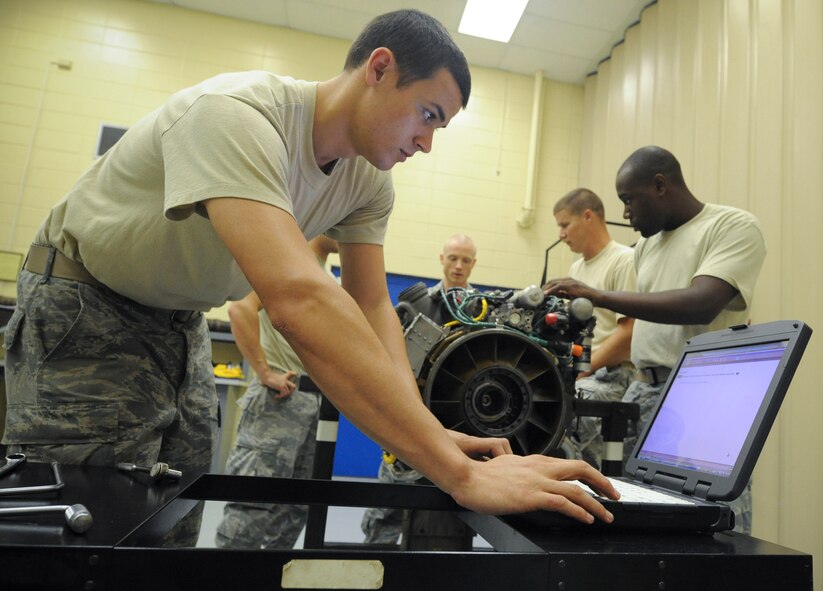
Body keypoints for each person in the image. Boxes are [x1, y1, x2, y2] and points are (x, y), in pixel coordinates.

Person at [3, 8, 618, 543]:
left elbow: (373, 307)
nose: (428, 143)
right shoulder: (237, 114)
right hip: (86, 302)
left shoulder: (368, 181)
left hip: (179, 318)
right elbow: (298, 300)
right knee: (85, 521)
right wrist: (458, 474)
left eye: (441, 127)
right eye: (427, 115)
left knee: (171, 510)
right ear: (378, 69)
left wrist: (429, 432)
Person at [544, 145, 766, 533]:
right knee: (638, 515)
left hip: (703, 395)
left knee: (713, 524)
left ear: (660, 185)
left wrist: (596, 295)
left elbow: (702, 304)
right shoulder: (646, 246)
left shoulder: (731, 226)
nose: (626, 214)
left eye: (629, 201)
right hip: (644, 391)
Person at [215, 235, 337, 549]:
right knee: (252, 505)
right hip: (279, 401)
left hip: (313, 404)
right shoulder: (285, 260)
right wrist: (264, 371)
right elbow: (241, 309)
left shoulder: (328, 278)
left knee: (295, 509)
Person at [361, 233, 477, 544]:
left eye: (465, 260)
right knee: (385, 508)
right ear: (442, 259)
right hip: (410, 416)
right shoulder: (420, 303)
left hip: (458, 424)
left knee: (451, 515)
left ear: (473, 264)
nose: (458, 265)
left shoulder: (482, 310)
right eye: (453, 258)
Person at [551, 189, 636, 470]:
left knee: (563, 407)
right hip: (586, 372)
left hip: (612, 376)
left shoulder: (623, 260)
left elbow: (629, 335)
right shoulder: (576, 268)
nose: (561, 234)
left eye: (565, 225)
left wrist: (583, 370)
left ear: (588, 216)